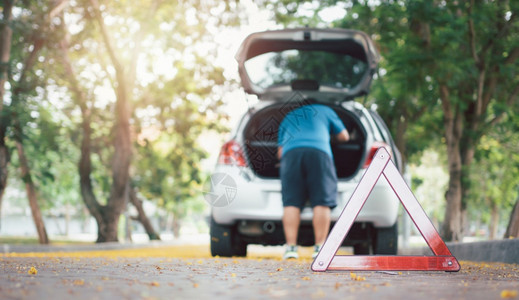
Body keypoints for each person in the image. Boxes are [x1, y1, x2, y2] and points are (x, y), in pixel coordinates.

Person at [277, 102, 349, 259]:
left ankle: (290, 248)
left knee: (291, 202)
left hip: (291, 155)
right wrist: (330, 136)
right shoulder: (326, 110)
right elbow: (345, 136)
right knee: (321, 201)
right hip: (319, 152)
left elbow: (280, 152)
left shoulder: (289, 116)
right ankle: (320, 248)